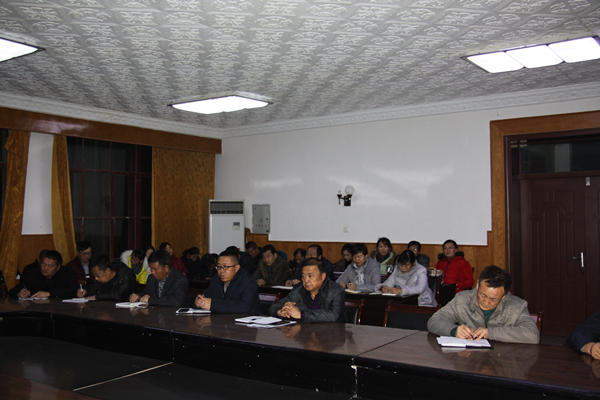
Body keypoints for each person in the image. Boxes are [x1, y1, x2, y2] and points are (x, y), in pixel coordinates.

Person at [427, 265, 539, 344]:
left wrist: (491, 333)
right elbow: (434, 321)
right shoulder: (462, 299)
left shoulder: (516, 306)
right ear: (477, 285)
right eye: (483, 295)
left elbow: (532, 335)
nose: (486, 302)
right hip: (469, 361)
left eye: (494, 299)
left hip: (503, 362)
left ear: (504, 296)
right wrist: (454, 331)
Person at [270, 258, 346, 322]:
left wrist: (301, 314)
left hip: (331, 333)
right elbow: (273, 307)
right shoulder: (298, 290)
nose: (306, 280)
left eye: (310, 276)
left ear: (322, 276)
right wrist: (281, 312)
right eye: (303, 276)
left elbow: (333, 316)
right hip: (304, 332)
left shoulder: (336, 291)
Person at [194, 251, 261, 314]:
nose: (221, 271)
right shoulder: (216, 279)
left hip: (246, 320)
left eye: (226, 267)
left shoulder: (248, 281)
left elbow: (245, 306)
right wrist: (199, 301)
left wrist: (213, 305)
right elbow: (206, 295)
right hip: (222, 319)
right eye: (219, 267)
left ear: (236, 268)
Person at [8, 250, 78, 299]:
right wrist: (19, 293)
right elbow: (13, 290)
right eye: (43, 264)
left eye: (50, 266)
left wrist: (49, 293)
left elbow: (75, 290)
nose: (45, 268)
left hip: (61, 309)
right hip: (39, 309)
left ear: (58, 267)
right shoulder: (34, 273)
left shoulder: (67, 273)